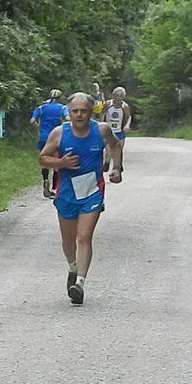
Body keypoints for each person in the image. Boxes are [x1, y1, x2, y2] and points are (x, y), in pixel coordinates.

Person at [39, 92, 123, 305]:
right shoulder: (59, 133)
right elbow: (43, 159)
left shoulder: (101, 130)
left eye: (83, 111)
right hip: (66, 192)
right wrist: (61, 164)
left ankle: (80, 283)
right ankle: (73, 267)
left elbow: (115, 145)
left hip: (92, 191)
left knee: (84, 237)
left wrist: (116, 168)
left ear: (90, 111)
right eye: (75, 111)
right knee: (68, 239)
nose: (79, 115)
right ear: (69, 112)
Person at [31, 89, 67, 198]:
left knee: (45, 160)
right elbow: (68, 118)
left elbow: (32, 120)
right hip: (55, 138)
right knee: (56, 162)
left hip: (43, 137)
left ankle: (45, 179)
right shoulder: (62, 108)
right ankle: (54, 189)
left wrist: (39, 129)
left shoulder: (41, 108)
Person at [102, 86, 131, 172]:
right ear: (113, 95)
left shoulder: (125, 106)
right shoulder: (108, 104)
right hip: (109, 131)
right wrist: (101, 125)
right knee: (109, 150)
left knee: (119, 149)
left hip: (119, 130)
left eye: (121, 96)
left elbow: (128, 117)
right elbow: (102, 114)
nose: (118, 98)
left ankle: (117, 167)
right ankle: (107, 163)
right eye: (117, 95)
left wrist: (127, 125)